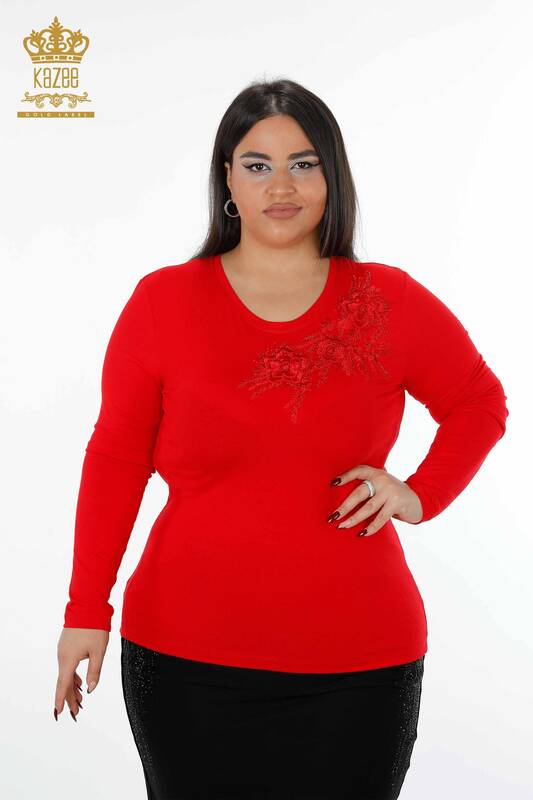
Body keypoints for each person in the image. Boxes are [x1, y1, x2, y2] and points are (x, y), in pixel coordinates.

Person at [54, 78, 509, 799]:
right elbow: (116, 460)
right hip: (184, 657)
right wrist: (87, 609)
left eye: (303, 163)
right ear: (227, 180)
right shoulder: (163, 302)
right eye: (257, 164)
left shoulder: (387, 299)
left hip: (362, 663)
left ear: (332, 176)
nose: (281, 186)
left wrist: (419, 493)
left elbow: (478, 402)